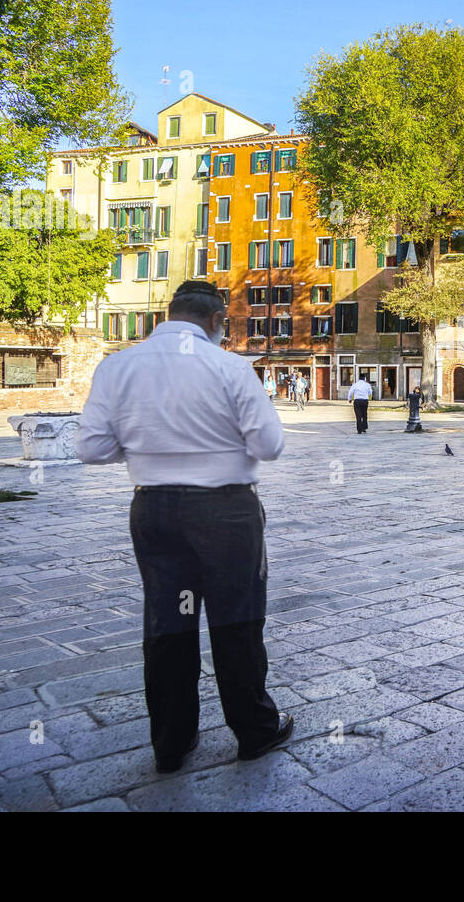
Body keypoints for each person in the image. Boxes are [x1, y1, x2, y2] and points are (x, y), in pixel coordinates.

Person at [75, 280, 292, 773]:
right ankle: (254, 731)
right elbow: (269, 446)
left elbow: (93, 449)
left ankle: (171, 743)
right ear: (217, 321)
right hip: (226, 512)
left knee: (168, 623)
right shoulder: (230, 367)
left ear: (167, 315)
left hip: (154, 511)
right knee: (236, 620)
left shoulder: (117, 366)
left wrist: (149, 443)